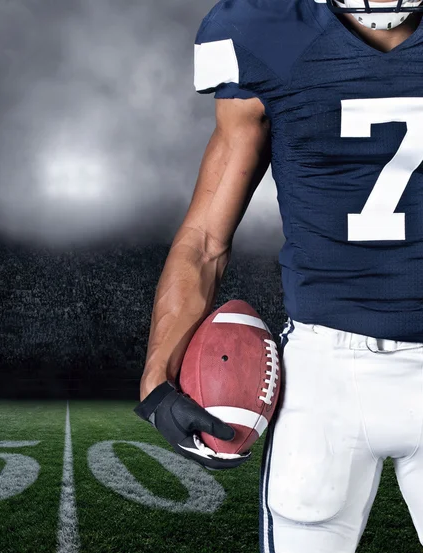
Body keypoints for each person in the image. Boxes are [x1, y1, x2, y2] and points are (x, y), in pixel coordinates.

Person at [134, 1, 423, 552]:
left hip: (326, 374)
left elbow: (205, 244)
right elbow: (205, 240)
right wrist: (156, 378)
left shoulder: (260, 25)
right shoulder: (263, 30)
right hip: (324, 374)